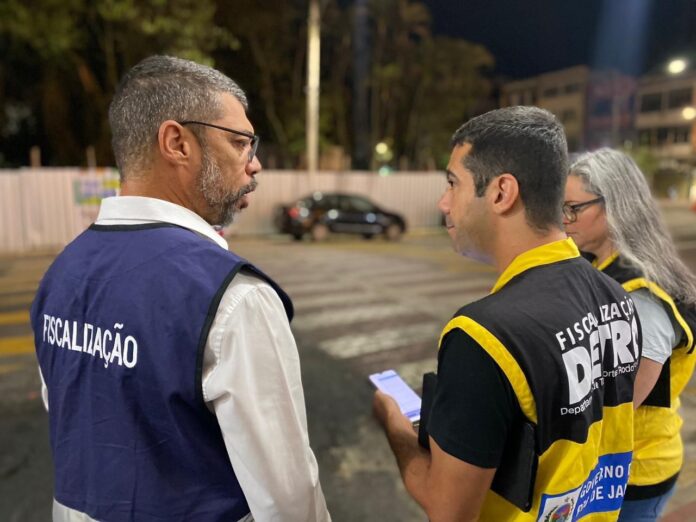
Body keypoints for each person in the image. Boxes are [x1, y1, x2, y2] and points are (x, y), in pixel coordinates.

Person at [30, 55, 330, 522]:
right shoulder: (233, 296)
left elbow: (71, 414)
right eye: (240, 143)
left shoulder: (61, 273)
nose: (255, 165)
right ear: (177, 143)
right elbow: (288, 498)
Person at [373, 106, 641, 521]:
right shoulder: (616, 297)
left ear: (501, 192)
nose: (444, 202)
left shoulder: (483, 336)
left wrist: (394, 423)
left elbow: (448, 511)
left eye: (453, 183)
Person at [565, 148, 696, 521]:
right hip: (616, 462)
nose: (564, 219)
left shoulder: (639, 293)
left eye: (573, 208)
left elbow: (624, 402)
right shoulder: (602, 267)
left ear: (614, 206)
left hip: (635, 470)